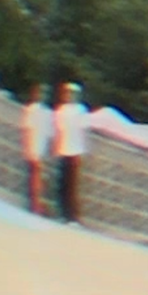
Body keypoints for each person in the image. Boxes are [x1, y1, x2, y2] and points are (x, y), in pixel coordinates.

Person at [51, 82, 88, 224]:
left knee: (72, 185)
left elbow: (82, 131)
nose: (68, 96)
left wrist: (81, 152)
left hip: (75, 150)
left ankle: (71, 215)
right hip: (63, 150)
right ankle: (61, 213)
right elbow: (58, 132)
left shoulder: (80, 110)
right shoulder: (60, 111)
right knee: (62, 184)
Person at [18, 83, 50, 217]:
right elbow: (27, 129)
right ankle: (35, 204)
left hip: (40, 147)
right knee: (35, 175)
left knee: (37, 176)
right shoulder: (31, 109)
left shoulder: (46, 112)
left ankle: (36, 203)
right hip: (34, 146)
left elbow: (48, 132)